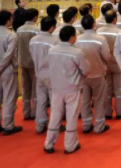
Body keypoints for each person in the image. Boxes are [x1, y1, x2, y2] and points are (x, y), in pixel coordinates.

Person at [44, 26, 90, 154]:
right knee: (72, 116)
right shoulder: (77, 53)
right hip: (72, 88)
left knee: (55, 115)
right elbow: (86, 70)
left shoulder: (52, 50)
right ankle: (70, 145)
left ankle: (49, 143)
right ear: (72, 37)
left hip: (56, 87)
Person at [75, 15, 111, 134]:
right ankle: (99, 126)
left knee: (85, 101)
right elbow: (107, 56)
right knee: (99, 100)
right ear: (94, 24)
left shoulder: (77, 39)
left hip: (83, 75)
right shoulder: (100, 39)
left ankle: (86, 124)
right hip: (98, 74)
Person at [29, 16, 59, 133]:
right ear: (51, 27)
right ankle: (54, 125)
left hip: (39, 73)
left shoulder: (33, 40)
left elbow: (32, 54)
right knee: (54, 101)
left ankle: (40, 125)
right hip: (52, 75)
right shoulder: (55, 41)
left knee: (41, 100)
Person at [97, 11, 121, 120]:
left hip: (104, 63)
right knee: (118, 88)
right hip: (117, 63)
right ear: (115, 19)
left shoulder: (99, 31)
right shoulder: (119, 32)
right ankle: (120, 111)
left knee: (107, 89)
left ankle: (107, 112)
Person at [0, 10, 21, 135]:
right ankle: (8, 126)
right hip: (7, 70)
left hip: (3, 69)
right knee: (9, 98)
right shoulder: (11, 35)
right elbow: (9, 55)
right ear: (8, 20)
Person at [16, 8, 40, 120]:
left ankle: (26, 112)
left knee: (25, 88)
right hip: (33, 62)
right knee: (35, 89)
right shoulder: (36, 30)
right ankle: (35, 112)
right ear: (35, 17)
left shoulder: (19, 30)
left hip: (22, 61)